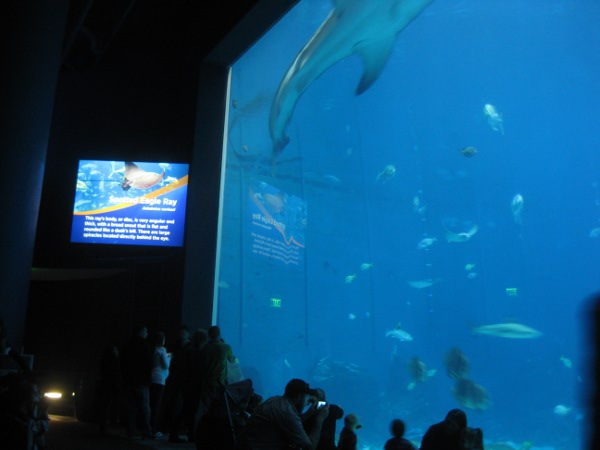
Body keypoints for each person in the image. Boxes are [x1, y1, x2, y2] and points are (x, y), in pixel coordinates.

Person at [242, 378, 329, 449]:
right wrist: (320, 419)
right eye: (306, 396)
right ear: (299, 396)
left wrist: (309, 413)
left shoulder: (276, 400)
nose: (308, 400)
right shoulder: (287, 412)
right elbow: (310, 447)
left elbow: (290, 422)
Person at [194, 325, 236, 436]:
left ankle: (195, 433)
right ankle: (218, 434)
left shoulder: (204, 348)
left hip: (206, 383)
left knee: (202, 409)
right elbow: (232, 361)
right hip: (220, 385)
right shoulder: (226, 347)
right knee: (220, 410)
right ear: (219, 334)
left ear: (209, 335)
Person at [120, 324, 154, 439]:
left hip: (128, 380)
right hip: (141, 381)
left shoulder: (127, 345)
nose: (147, 333)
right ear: (141, 332)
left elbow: (122, 362)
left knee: (131, 406)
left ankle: (130, 430)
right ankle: (147, 430)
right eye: (146, 331)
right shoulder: (145, 345)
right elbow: (149, 363)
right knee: (145, 406)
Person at [165, 324, 191, 443]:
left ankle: (174, 432)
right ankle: (174, 432)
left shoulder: (188, 347)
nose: (181, 335)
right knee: (177, 406)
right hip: (176, 380)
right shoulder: (179, 346)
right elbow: (168, 357)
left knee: (179, 407)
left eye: (183, 333)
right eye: (180, 333)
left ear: (188, 334)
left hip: (182, 380)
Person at [96, 344, 122, 435]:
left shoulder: (104, 361)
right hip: (112, 386)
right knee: (111, 406)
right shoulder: (115, 362)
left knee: (105, 406)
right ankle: (110, 424)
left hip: (105, 385)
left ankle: (103, 426)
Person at [149, 331, 171, 437]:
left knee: (150, 403)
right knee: (156, 405)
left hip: (151, 377)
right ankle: (154, 429)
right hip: (159, 379)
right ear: (162, 340)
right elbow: (166, 365)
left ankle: (148, 427)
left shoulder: (152, 349)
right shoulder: (162, 349)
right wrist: (169, 358)